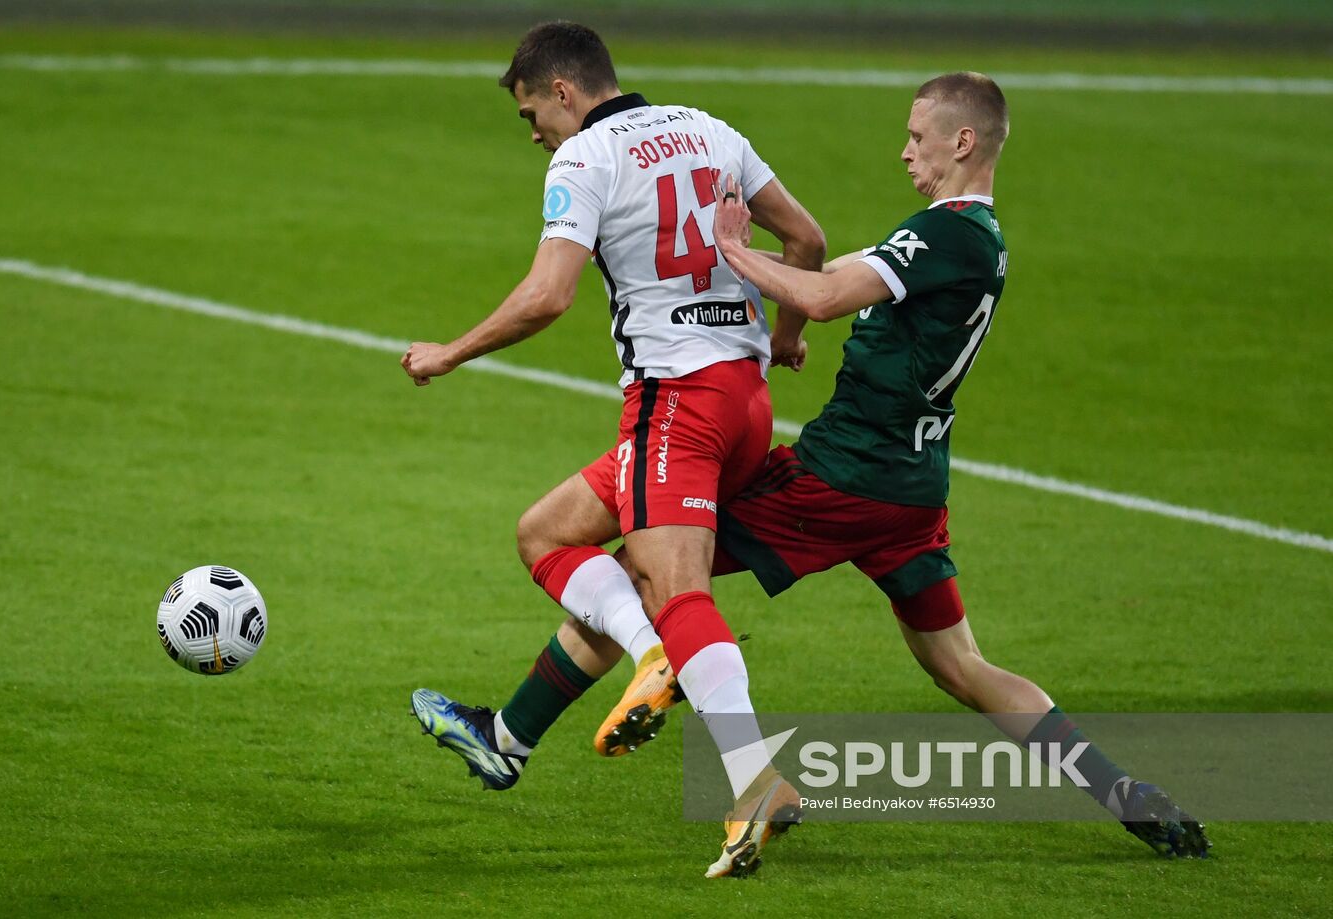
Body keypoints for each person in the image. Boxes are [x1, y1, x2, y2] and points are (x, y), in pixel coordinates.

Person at [465, 70, 1209, 861]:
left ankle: (618, 738)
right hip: (914, 491)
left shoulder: (948, 233)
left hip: (837, 479)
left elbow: (822, 295)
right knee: (962, 665)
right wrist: (777, 314)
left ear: (964, 143)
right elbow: (825, 263)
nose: (904, 153)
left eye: (918, 138)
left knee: (653, 575)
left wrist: (729, 253)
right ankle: (1124, 791)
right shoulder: (967, 241)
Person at [403, 21, 826, 878]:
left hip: (674, 407)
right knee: (547, 532)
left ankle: (749, 774)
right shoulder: (712, 130)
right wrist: (783, 339)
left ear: (565, 91)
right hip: (745, 402)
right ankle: (507, 739)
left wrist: (449, 351)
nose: (533, 135)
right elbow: (807, 243)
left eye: (532, 114)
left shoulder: (583, 161)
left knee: (672, 591)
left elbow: (549, 294)